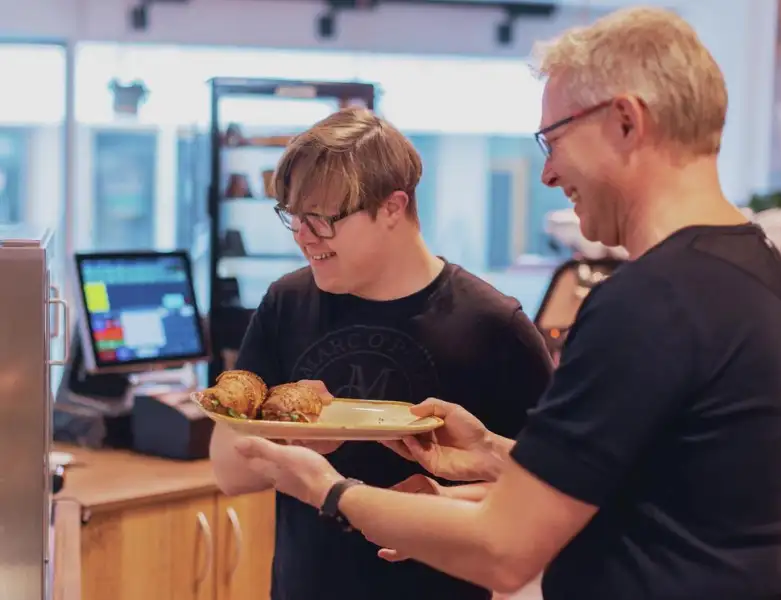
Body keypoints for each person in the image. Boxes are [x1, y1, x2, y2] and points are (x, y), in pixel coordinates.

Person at [232, 7, 781, 600]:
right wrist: (494, 454)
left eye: (554, 139)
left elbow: (501, 552)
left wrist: (328, 489)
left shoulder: (651, 303)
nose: (548, 173)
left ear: (626, 122)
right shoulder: (760, 272)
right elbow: (657, 503)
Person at [208, 106, 554, 600]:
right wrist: (289, 441)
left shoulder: (495, 326)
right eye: (293, 216)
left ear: (393, 207)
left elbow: (551, 497)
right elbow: (227, 469)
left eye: (322, 219)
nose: (303, 236)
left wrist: (442, 502)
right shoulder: (287, 303)